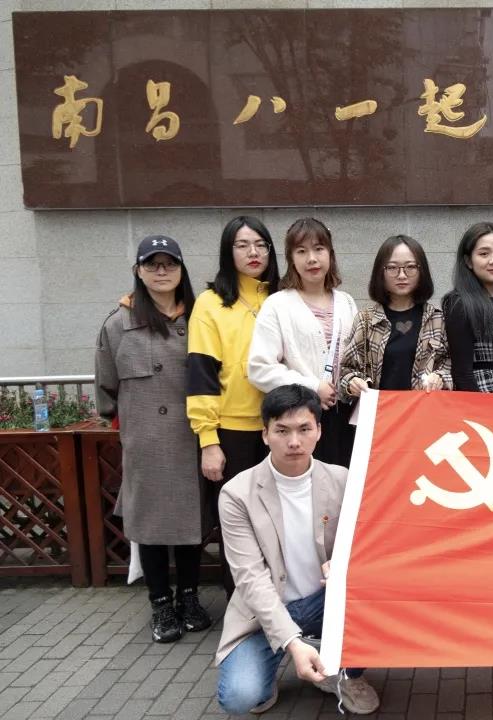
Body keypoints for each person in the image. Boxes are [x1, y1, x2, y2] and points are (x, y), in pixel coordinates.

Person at [215, 384, 379, 716]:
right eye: (282, 430)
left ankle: (344, 674)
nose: (294, 441)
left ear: (319, 431)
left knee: (377, 592)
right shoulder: (236, 494)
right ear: (265, 434)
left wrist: (345, 562)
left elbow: (369, 543)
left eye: (304, 429)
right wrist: (291, 641)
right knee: (240, 696)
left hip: (323, 601)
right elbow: (250, 579)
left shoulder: (342, 480)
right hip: (264, 613)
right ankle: (291, 655)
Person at [95, 235, 212, 643]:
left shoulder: (199, 317)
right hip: (144, 442)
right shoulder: (117, 324)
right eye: (152, 264)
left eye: (170, 264)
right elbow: (106, 389)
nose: (161, 272)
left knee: (191, 525)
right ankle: (161, 604)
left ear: (181, 270)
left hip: (191, 438)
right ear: (138, 271)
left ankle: (190, 598)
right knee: (150, 528)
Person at [187, 215, 280, 596]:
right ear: (228, 253)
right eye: (242, 245)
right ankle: (242, 607)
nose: (252, 252)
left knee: (281, 522)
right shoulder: (210, 304)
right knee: (238, 525)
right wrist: (208, 440)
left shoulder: (281, 298)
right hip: (233, 432)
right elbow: (201, 374)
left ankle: (282, 606)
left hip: (282, 429)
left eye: (260, 244)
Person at [248, 218, 358, 466]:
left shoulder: (346, 302)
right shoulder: (277, 305)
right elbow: (259, 369)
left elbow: (357, 357)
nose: (312, 259)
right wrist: (312, 386)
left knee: (344, 482)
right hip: (300, 419)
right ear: (291, 259)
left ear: (330, 254)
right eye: (301, 251)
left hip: (346, 416)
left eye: (319, 249)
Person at [338, 234, 452, 397]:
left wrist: (440, 377)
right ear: (381, 272)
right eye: (392, 268)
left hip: (424, 408)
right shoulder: (366, 320)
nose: (402, 275)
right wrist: (352, 383)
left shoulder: (438, 319)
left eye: (410, 267)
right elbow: (346, 371)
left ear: (422, 271)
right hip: (380, 409)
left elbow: (451, 366)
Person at [442, 221, 493, 393]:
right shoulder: (459, 304)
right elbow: (462, 373)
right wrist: (479, 406)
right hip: (484, 397)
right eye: (484, 254)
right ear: (468, 261)